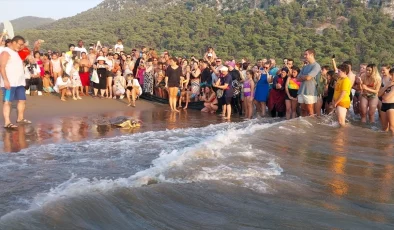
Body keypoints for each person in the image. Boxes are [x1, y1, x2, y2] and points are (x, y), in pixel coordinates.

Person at [0, 36, 30, 129]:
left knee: (22, 100)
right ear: (14, 42)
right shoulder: (5, 52)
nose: (21, 47)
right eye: (20, 44)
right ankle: (7, 122)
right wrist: (5, 80)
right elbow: (2, 67)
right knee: (7, 102)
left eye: (22, 45)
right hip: (9, 83)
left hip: (19, 82)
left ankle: (20, 118)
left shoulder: (16, 53)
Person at [297, 49, 321, 116]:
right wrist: (305, 76)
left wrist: (304, 77)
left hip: (310, 91)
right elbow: (298, 79)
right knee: (302, 110)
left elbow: (308, 78)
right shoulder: (305, 67)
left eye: (306, 54)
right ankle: (304, 125)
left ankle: (312, 125)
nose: (304, 56)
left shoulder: (316, 65)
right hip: (302, 90)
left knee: (310, 111)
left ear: (312, 55)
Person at [378, 68, 394, 133]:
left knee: (392, 127)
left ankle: (391, 142)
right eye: (390, 75)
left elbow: (386, 97)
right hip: (384, 105)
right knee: (384, 127)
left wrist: (383, 93)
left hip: (392, 106)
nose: (390, 76)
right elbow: (379, 94)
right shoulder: (388, 83)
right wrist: (386, 86)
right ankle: (384, 142)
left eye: (392, 75)